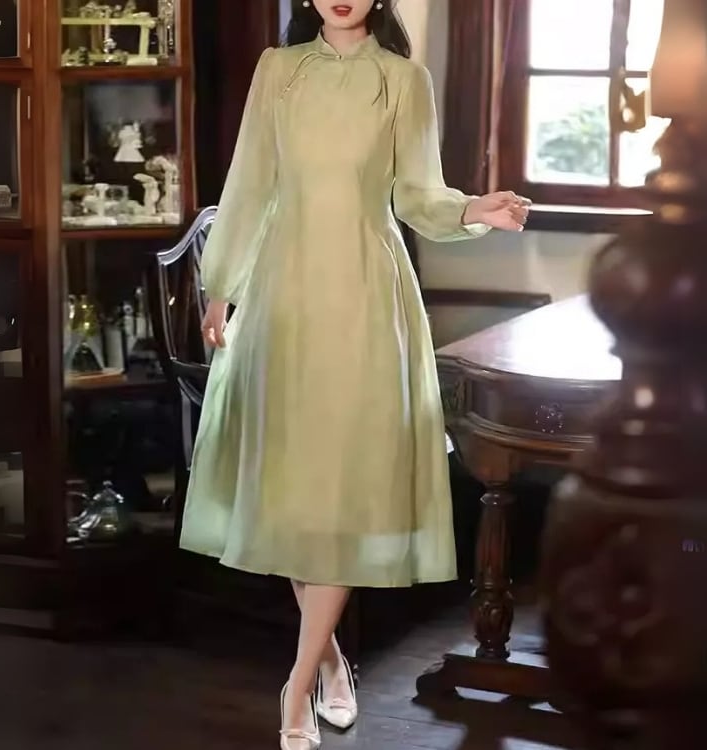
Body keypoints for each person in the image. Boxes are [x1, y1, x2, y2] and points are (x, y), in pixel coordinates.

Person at [180, 1, 530, 747]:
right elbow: (249, 182)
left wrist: (477, 209)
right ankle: (330, 660)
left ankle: (296, 685)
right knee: (293, 482)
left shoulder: (404, 79)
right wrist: (221, 285)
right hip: (283, 291)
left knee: (341, 480)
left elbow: (417, 196)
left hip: (369, 295)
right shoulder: (278, 70)